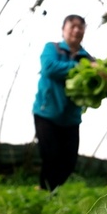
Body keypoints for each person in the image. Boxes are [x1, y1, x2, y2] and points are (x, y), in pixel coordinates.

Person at [32, 14, 94, 191]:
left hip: (71, 118)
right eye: (72, 26)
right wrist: (83, 69)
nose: (76, 30)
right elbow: (49, 68)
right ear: (63, 29)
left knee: (68, 162)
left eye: (80, 27)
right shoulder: (53, 48)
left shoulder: (88, 58)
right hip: (47, 112)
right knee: (50, 156)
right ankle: (47, 192)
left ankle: (46, 190)